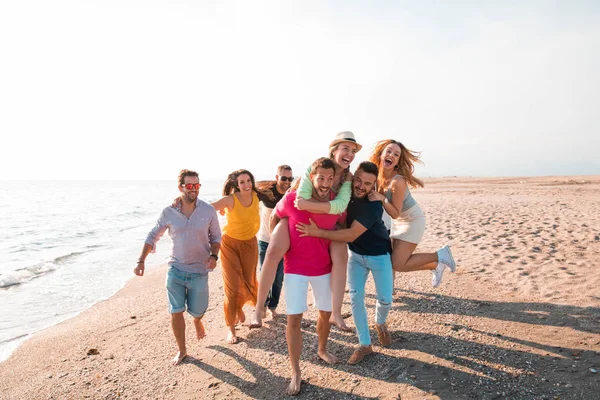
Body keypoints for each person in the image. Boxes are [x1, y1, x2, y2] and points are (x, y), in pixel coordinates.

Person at [252, 131, 361, 331]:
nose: (350, 153)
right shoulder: (317, 166)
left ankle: (336, 313)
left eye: (353, 151)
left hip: (331, 218)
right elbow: (298, 198)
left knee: (341, 256)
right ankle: (259, 308)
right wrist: (278, 222)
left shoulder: (348, 177)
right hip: (297, 214)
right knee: (273, 251)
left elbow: (341, 204)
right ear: (334, 150)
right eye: (345, 148)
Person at [296, 161, 393, 364]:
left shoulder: (374, 205)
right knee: (356, 298)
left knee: (385, 299)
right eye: (358, 180)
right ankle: (365, 344)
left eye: (367, 183)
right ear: (352, 178)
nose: (361, 186)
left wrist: (318, 233)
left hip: (379, 255)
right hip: (356, 256)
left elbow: (350, 234)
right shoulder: (346, 197)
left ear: (373, 185)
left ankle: (381, 323)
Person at [272, 157, 346, 395]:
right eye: (321, 178)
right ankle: (295, 372)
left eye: (329, 178)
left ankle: (322, 349)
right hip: (294, 269)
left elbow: (341, 228)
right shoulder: (294, 199)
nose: (325, 183)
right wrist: (281, 236)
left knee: (325, 314)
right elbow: (275, 216)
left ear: (334, 179)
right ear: (311, 178)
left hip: (323, 269)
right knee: (294, 320)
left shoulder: (337, 203)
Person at [134, 169, 221, 366]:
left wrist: (214, 256)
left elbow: (216, 238)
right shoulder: (169, 212)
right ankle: (182, 351)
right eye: (189, 186)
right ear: (180, 187)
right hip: (176, 269)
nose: (193, 189)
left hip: (199, 271)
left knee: (198, 310)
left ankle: (197, 321)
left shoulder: (208, 211)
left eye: (196, 185)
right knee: (176, 310)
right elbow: (152, 236)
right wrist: (141, 261)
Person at [368, 139, 456, 287]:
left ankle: (440, 255)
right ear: (381, 154)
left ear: (397, 161)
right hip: (398, 222)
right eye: (389, 151)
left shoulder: (397, 181)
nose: (392, 155)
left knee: (398, 264)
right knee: (392, 259)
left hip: (412, 221)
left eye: (396, 154)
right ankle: (433, 266)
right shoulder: (377, 175)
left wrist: (382, 198)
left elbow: (395, 213)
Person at [211, 169, 273, 344]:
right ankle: (231, 329)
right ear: (236, 185)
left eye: (248, 181)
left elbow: (278, 187)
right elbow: (207, 208)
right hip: (229, 244)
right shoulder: (230, 199)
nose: (246, 185)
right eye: (242, 182)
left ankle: (246, 308)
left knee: (249, 280)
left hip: (250, 244)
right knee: (232, 286)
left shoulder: (256, 195)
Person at [255, 165, 294, 318]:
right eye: (283, 178)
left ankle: (273, 306)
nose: (287, 181)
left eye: (290, 179)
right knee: (265, 274)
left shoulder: (292, 194)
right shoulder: (266, 192)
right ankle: (262, 305)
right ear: (277, 177)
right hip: (265, 240)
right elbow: (246, 191)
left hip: (284, 243)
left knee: (278, 277)